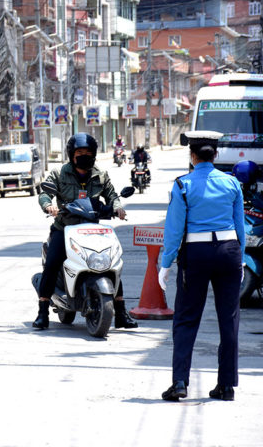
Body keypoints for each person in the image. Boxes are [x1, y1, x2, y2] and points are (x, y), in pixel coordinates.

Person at [158, 130, 244, 402]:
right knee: (229, 319)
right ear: (215, 155)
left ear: (192, 156)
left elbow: (174, 230)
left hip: (195, 254)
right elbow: (239, 226)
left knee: (186, 318)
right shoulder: (232, 183)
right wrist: (240, 257)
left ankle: (180, 383)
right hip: (229, 251)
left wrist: (165, 263)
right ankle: (226, 386)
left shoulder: (183, 185)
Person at [34, 133, 138, 330]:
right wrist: (48, 206)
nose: (84, 156)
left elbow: (112, 195)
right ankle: (42, 312)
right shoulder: (59, 173)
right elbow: (45, 193)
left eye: (88, 152)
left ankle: (121, 313)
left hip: (92, 230)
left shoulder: (100, 174)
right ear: (72, 155)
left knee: (111, 263)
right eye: (80, 152)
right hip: (64, 228)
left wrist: (118, 208)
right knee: (52, 264)